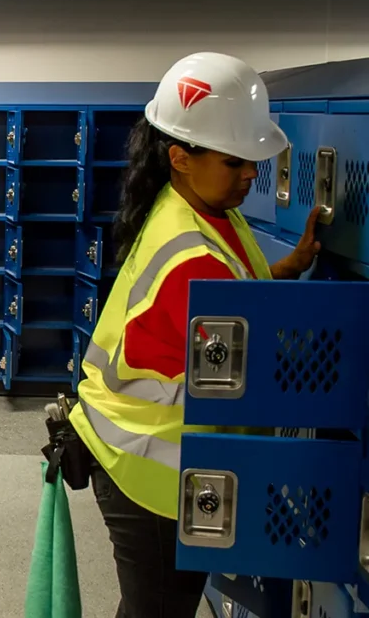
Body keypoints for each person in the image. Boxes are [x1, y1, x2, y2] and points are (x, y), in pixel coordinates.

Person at [67, 51, 321, 617]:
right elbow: (264, 361)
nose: (252, 173)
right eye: (236, 161)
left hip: (146, 452)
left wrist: (290, 265)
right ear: (180, 157)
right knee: (160, 609)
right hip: (148, 467)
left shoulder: (203, 209)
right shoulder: (189, 252)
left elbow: (237, 295)